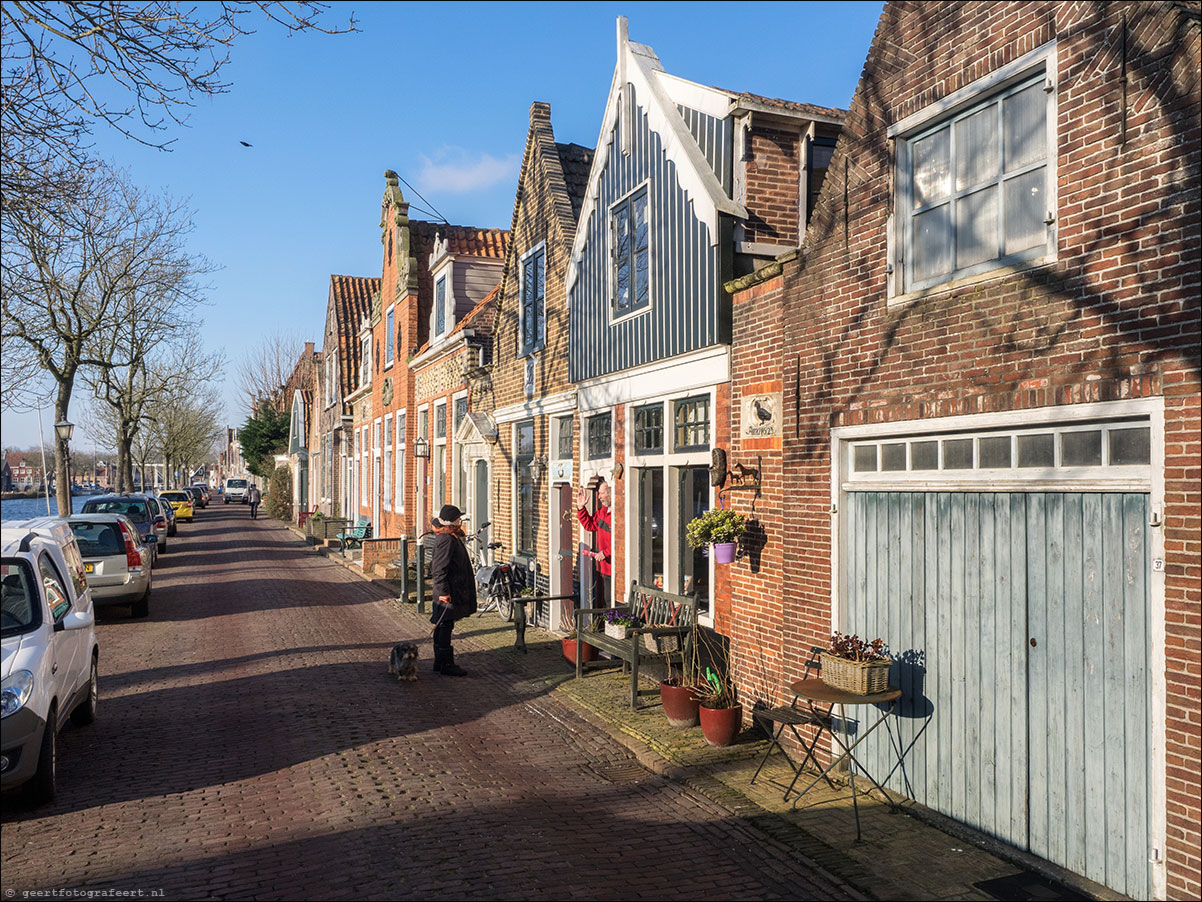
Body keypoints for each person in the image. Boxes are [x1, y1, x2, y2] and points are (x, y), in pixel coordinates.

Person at [428, 504, 476, 676]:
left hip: (450, 589)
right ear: (452, 522)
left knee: (443, 624)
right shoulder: (446, 540)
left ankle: (439, 662)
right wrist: (443, 593)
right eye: (458, 519)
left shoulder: (450, 536)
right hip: (448, 591)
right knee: (444, 625)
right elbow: (439, 569)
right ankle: (446, 664)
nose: (460, 521)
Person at [576, 479, 612, 607]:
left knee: (610, 600)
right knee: (606, 600)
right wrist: (581, 508)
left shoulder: (617, 514)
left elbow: (621, 539)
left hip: (615, 566)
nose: (599, 497)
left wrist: (606, 552)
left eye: (602, 493)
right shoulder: (602, 512)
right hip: (605, 567)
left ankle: (611, 626)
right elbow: (590, 525)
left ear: (610, 493)